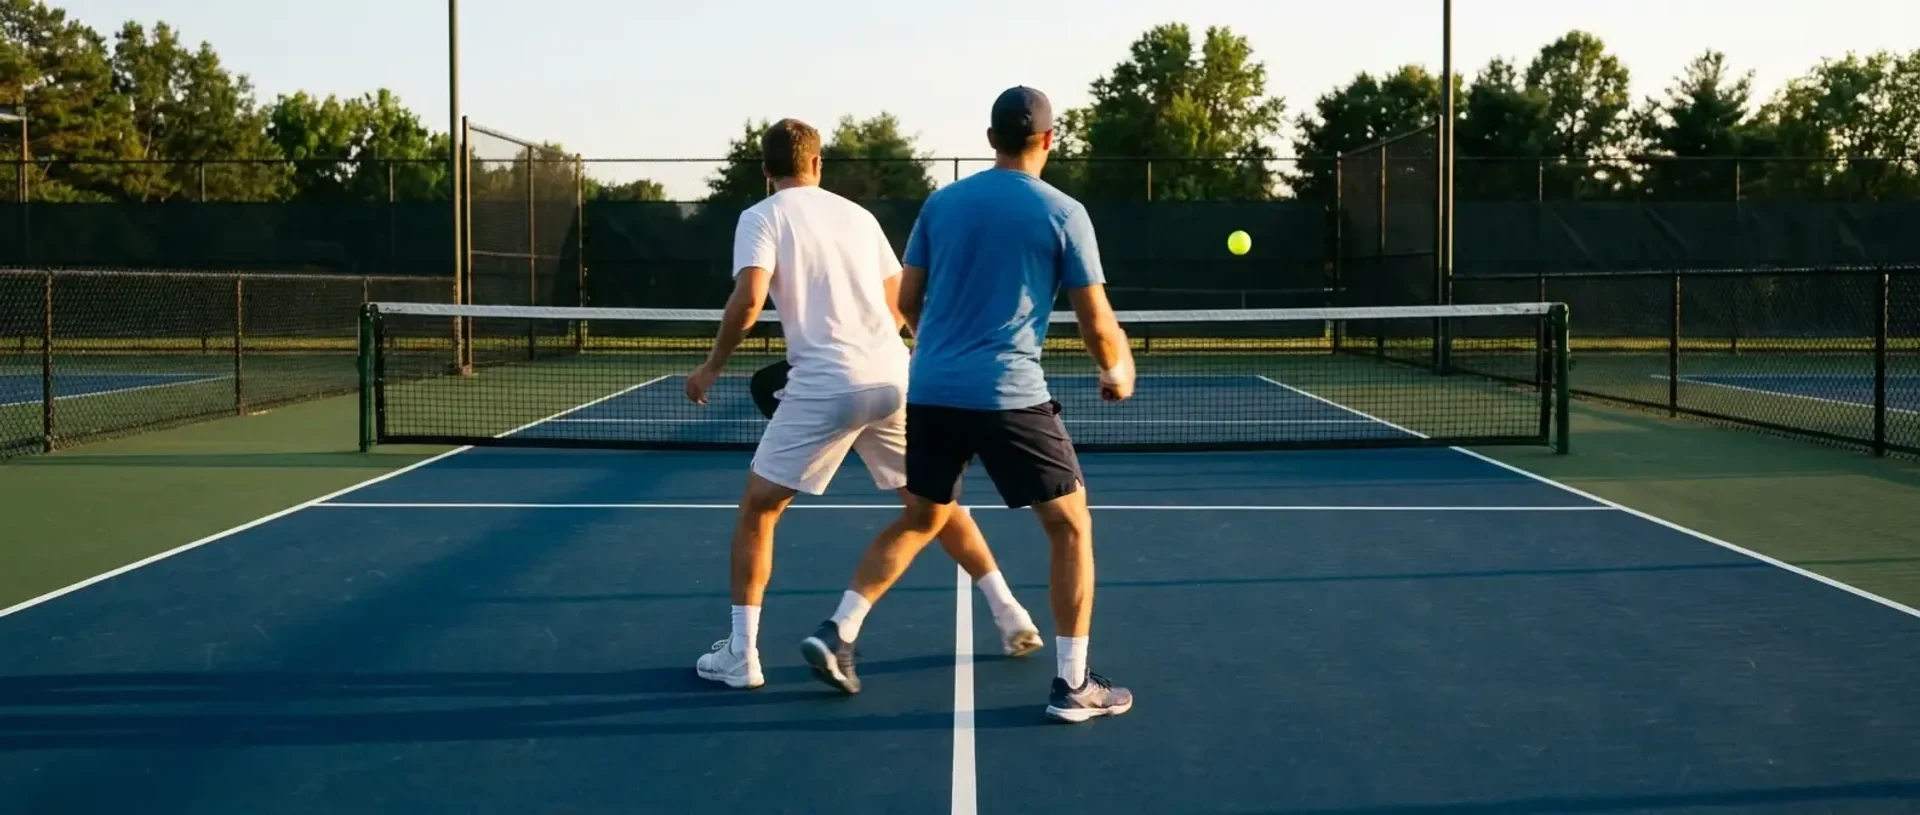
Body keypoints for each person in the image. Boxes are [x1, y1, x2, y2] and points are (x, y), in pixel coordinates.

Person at [798, 88, 1137, 723]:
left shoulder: (941, 203)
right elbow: (1097, 323)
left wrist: (942, 346)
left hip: (930, 390)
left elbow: (908, 300)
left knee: (924, 517)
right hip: (1010, 395)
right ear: (1049, 140)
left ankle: (840, 631)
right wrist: (1116, 368)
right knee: (1070, 526)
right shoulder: (1065, 213)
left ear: (990, 139)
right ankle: (1073, 685)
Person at [684, 118, 1043, 691]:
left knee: (759, 509)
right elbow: (902, 299)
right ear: (818, 164)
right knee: (933, 504)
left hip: (827, 383)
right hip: (895, 376)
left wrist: (710, 367)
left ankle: (742, 655)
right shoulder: (859, 216)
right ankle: (1010, 614)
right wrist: (926, 357)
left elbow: (750, 299)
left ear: (766, 171)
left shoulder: (761, 216)